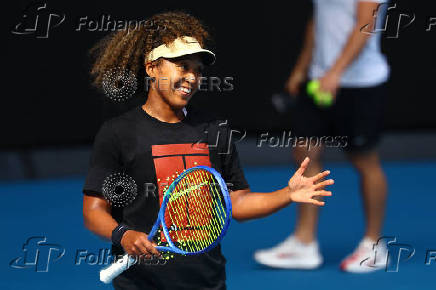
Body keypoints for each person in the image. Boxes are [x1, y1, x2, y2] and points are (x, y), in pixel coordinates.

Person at [82, 11, 334, 289]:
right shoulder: (118, 133)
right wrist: (123, 234)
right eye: (182, 66)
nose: (192, 76)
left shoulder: (214, 130)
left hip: (207, 282)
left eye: (198, 70)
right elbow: (94, 210)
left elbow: (236, 203)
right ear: (151, 68)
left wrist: (287, 194)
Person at [254, 0, 389, 273]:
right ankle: (304, 243)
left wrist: (336, 72)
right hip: (319, 80)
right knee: (304, 152)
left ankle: (374, 245)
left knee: (365, 161)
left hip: (360, 85)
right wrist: (302, 69)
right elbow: (317, 23)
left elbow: (366, 25)